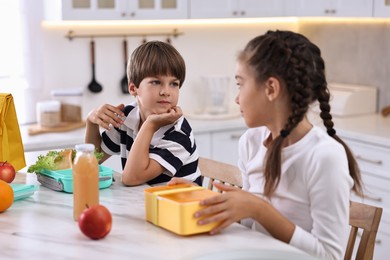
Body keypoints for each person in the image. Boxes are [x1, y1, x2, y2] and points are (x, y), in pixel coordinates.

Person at [168, 30, 363, 259]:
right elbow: (253, 226)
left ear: (271, 89)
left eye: (240, 85)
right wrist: (207, 200)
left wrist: (259, 208)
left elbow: (329, 255)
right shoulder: (251, 142)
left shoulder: (324, 156)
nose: (237, 98)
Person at [85, 41, 201, 186]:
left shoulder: (179, 134)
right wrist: (91, 121)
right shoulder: (126, 117)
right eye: (156, 82)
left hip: (180, 206)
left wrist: (150, 125)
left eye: (174, 84)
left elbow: (131, 179)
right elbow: (93, 160)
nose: (166, 91)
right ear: (133, 88)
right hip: (144, 202)